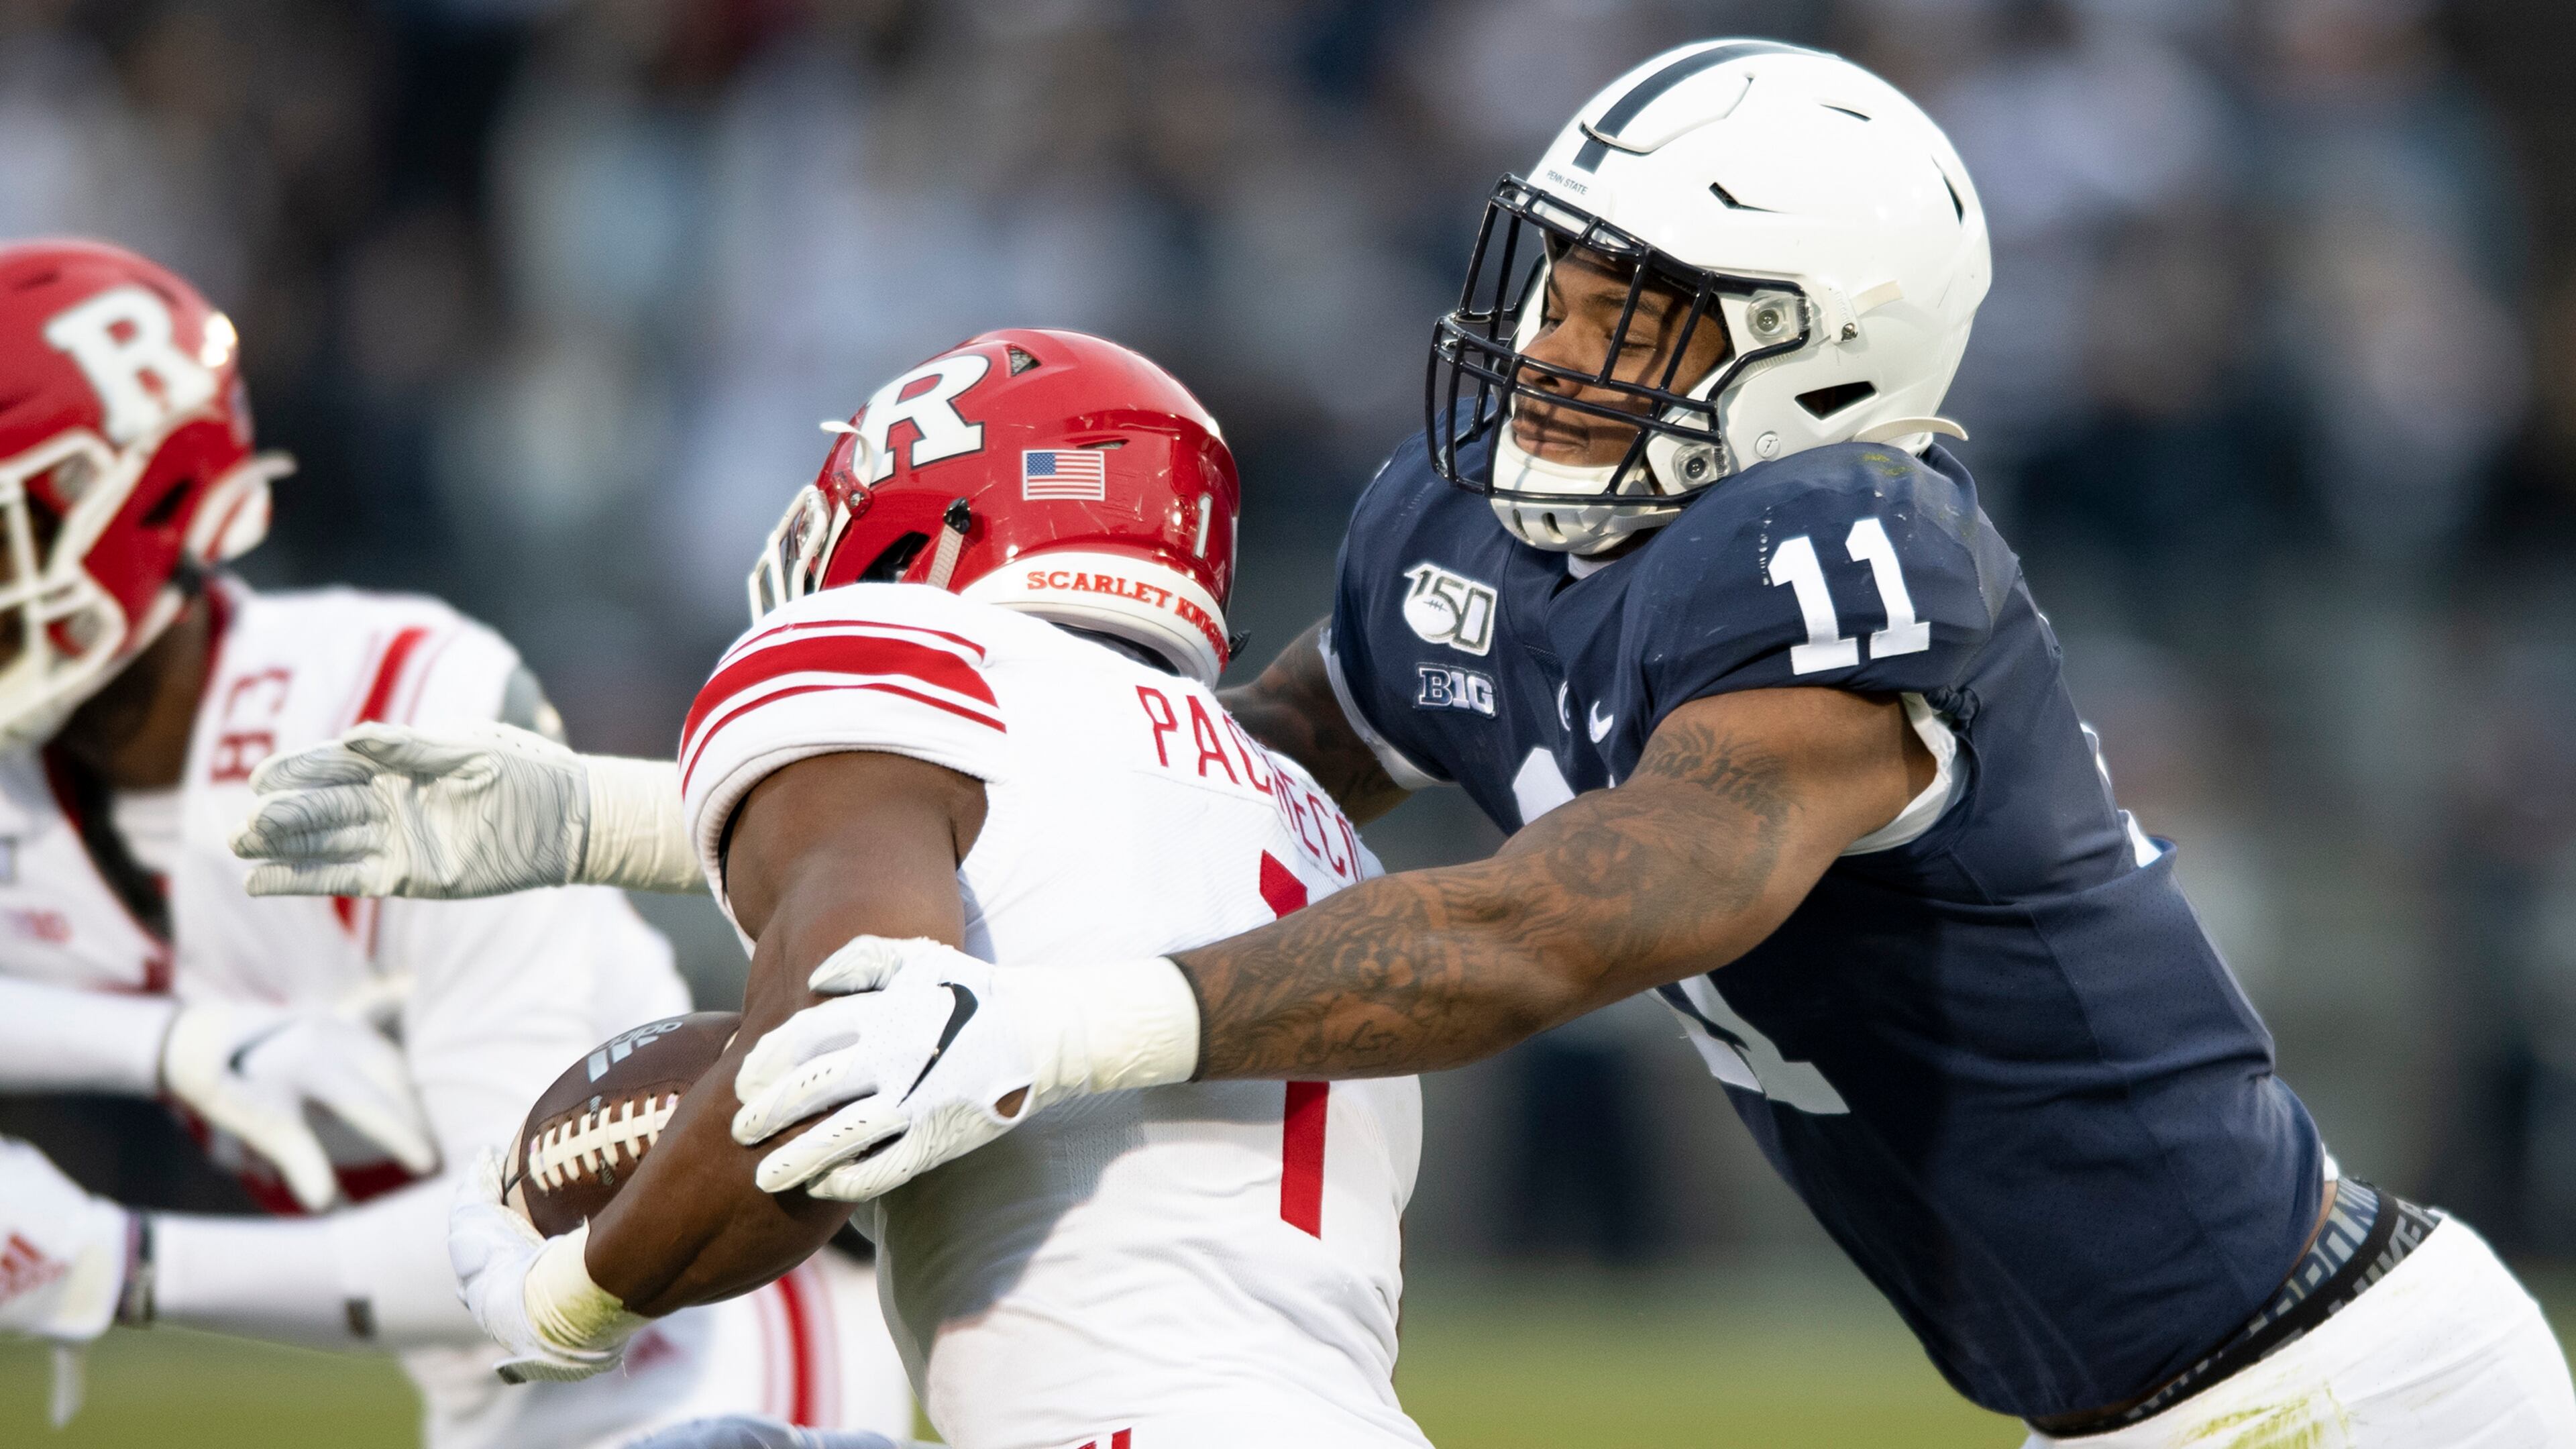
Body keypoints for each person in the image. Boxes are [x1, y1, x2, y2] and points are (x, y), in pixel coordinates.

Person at [230, 42, 2576, 1449]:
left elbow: (1592, 909)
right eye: (1561, 277)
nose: (1561, 344)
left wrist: (1067, 1025)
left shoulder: (1863, 551)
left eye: (1647, 311)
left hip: (2334, 1393)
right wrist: (625, 811)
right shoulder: (1460, 532)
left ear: (1830, 361)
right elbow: (1174, 783)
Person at [239, 329, 1432, 1449]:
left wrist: (572, 1294)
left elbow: (826, 1079)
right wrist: (590, 817)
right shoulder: (1307, 824)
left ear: (930, 523)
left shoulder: (899, 665)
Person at [0, 239, 911, 1448]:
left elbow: (535, 1231)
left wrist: (120, 1264)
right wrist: (167, 1045)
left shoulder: (388, 705)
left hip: (699, 1353)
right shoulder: (30, 781)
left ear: (146, 499)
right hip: (489, 1401)